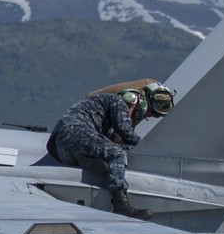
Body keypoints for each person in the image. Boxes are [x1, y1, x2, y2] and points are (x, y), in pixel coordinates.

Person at [49, 82, 173, 218]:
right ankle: (120, 205)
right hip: (73, 132)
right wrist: (149, 148)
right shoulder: (117, 102)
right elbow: (126, 132)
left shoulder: (105, 113)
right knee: (117, 154)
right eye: (151, 111)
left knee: (114, 150)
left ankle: (87, 161)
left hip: (63, 147)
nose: (148, 115)